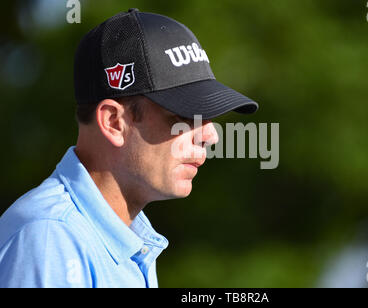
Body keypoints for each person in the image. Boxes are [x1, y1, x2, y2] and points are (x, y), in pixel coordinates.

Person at [0, 8, 258, 288]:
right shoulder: (51, 241)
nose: (209, 134)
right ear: (113, 122)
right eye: (183, 116)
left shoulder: (123, 240)